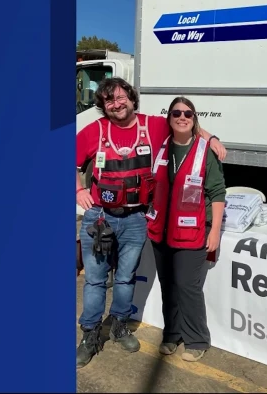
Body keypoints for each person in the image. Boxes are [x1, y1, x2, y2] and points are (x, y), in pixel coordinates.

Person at [75, 78, 226, 368]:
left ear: (132, 99)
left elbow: (185, 123)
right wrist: (79, 190)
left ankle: (119, 325)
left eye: (121, 98)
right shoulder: (95, 130)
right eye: (109, 101)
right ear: (102, 106)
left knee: (125, 278)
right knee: (94, 281)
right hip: (101, 218)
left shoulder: (153, 126)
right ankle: (89, 336)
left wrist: (214, 138)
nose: (116, 104)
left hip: (135, 218)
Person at [146, 96, 226, 363]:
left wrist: (214, 230)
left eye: (188, 114)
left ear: (194, 119)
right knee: (168, 285)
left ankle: (197, 339)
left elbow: (217, 192)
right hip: (161, 231)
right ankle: (172, 334)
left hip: (192, 233)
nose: (182, 117)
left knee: (187, 286)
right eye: (176, 113)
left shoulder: (205, 150)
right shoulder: (160, 144)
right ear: (169, 117)